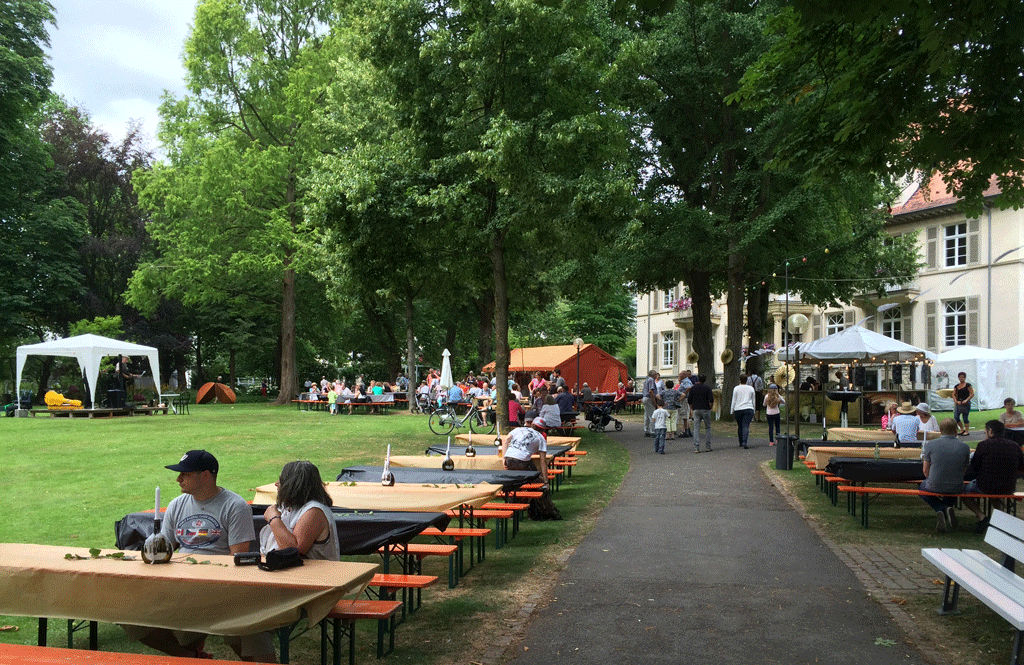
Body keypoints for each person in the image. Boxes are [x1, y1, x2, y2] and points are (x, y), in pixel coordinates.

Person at [124, 450, 266, 661]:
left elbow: (237, 557)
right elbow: (164, 549)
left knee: (247, 631)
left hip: (221, 588)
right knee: (129, 615)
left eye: (185, 474)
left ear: (206, 476)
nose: (178, 479)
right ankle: (187, 655)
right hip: (181, 584)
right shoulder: (177, 505)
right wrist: (152, 548)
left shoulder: (234, 506)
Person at [260, 461, 340, 561]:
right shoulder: (290, 507)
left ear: (293, 485)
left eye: (282, 480)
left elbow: (293, 552)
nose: (276, 484)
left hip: (313, 575)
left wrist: (274, 519)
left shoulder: (314, 511)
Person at [962, 420, 1024, 531]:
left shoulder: (983, 445)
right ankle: (999, 517)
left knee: (964, 492)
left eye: (985, 432)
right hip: (1008, 487)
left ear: (990, 431)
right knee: (996, 491)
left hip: (985, 485)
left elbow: (974, 467)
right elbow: (1021, 468)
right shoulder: (1015, 446)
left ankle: (982, 517)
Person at [500, 417, 559, 520]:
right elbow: (543, 461)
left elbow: (505, 441)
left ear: (532, 424)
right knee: (537, 482)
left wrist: (504, 458)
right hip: (522, 461)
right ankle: (538, 511)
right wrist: (545, 481)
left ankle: (511, 511)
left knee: (514, 483)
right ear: (543, 430)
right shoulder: (540, 437)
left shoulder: (518, 429)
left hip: (509, 459)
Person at [918, 418, 971, 533]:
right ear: (956, 430)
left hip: (935, 484)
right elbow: (964, 470)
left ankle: (941, 508)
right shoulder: (965, 447)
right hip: (956, 485)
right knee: (951, 487)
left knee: (922, 487)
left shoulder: (930, 445)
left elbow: (925, 470)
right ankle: (947, 508)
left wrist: (931, 479)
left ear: (940, 431)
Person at [688, 375, 714, 453]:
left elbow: (689, 400)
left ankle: (696, 447)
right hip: (705, 408)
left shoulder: (693, 388)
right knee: (708, 427)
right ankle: (707, 446)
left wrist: (692, 407)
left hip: (696, 409)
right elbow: (711, 399)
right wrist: (710, 407)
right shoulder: (707, 388)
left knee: (696, 428)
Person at [730, 375, 756, 449]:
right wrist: (754, 409)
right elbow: (753, 400)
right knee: (746, 425)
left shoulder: (736, 388)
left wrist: (732, 410)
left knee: (740, 425)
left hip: (738, 409)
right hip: (748, 408)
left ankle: (741, 441)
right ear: (747, 380)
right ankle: (745, 441)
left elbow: (734, 400)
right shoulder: (751, 388)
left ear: (740, 380)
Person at [642, 370, 659, 437]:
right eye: (655, 374)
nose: (656, 376)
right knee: (652, 414)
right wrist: (654, 401)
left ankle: (646, 430)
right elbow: (651, 391)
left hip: (645, 398)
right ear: (652, 375)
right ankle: (652, 431)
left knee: (646, 415)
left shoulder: (646, 380)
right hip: (649, 398)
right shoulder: (651, 380)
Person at [677, 370, 693, 438]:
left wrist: (684, 394)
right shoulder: (685, 381)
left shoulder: (686, 381)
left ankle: (686, 431)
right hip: (685, 399)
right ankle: (688, 431)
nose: (679, 376)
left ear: (684, 375)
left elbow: (689, 387)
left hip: (684, 399)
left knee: (684, 416)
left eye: (681, 374)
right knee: (685, 416)